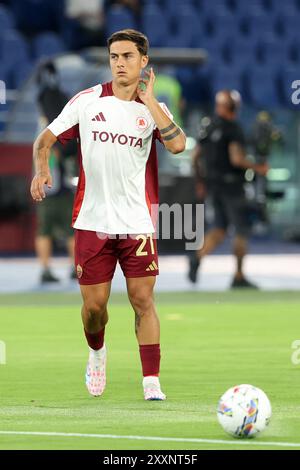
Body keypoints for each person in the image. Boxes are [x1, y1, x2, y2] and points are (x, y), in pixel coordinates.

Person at [30, 29, 186, 400]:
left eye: (128, 56)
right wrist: (42, 168)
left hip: (137, 224)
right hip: (93, 223)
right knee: (94, 308)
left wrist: (150, 103)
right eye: (114, 56)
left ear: (143, 61)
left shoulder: (152, 110)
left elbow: (178, 144)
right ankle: (97, 352)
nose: (119, 62)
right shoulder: (87, 102)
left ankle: (151, 381)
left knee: (143, 300)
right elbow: (45, 139)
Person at [188, 90, 268, 288]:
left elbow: (195, 156)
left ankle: (197, 257)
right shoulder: (233, 128)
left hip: (213, 185)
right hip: (232, 186)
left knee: (219, 229)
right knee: (242, 229)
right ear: (235, 107)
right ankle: (238, 276)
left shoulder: (208, 126)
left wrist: (200, 181)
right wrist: (259, 168)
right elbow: (237, 159)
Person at [35, 60, 77, 283]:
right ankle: (70, 267)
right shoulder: (55, 102)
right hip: (56, 180)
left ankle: (48, 269)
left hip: (45, 180)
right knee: (67, 226)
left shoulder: (42, 105)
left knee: (46, 228)